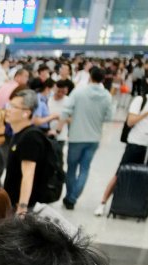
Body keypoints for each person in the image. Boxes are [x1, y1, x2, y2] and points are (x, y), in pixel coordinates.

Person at [95, 74, 148, 217]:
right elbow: (130, 121)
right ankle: (103, 203)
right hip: (135, 142)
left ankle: (136, 206)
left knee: (145, 177)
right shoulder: (140, 100)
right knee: (121, 173)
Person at [59, 65, 115, 209]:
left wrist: (60, 126)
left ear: (90, 76)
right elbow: (109, 117)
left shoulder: (79, 92)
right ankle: (73, 198)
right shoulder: (107, 96)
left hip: (76, 136)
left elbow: (66, 110)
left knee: (71, 168)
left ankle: (69, 196)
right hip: (94, 138)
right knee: (85, 169)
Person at [2, 88, 57, 214]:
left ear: (26, 112)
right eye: (9, 105)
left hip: (23, 206)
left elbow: (28, 174)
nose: (8, 110)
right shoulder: (19, 134)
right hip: (13, 202)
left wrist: (22, 207)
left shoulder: (30, 137)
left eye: (14, 107)